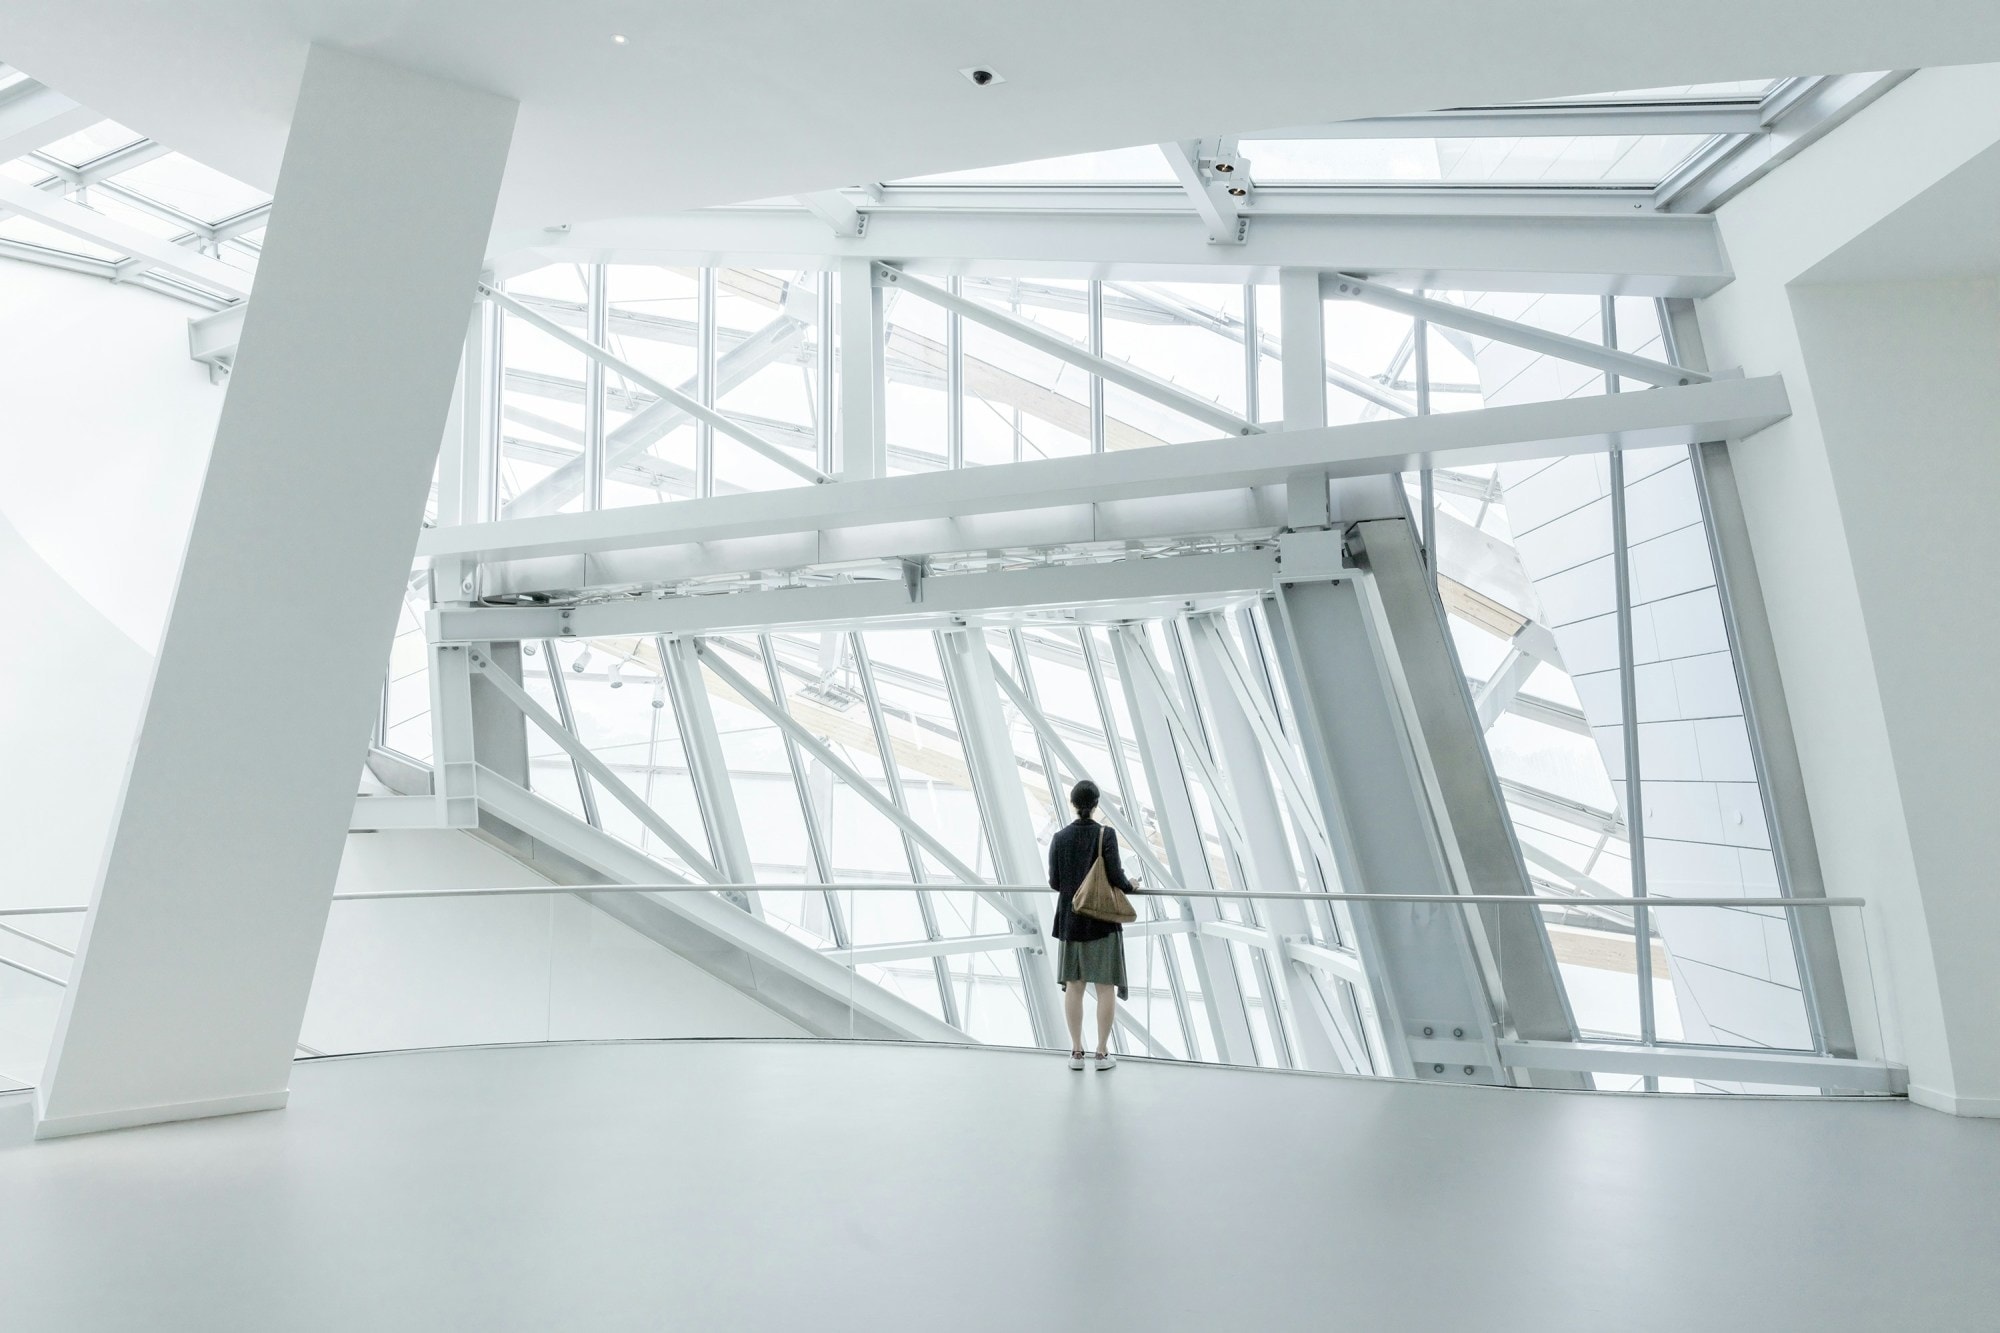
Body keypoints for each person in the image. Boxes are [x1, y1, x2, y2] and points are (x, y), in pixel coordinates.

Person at [1047, 779, 1138, 1071]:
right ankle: (1101, 1053)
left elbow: (1055, 882)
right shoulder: (1105, 835)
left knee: (1074, 987)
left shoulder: (1059, 837)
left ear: (1073, 804)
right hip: (1101, 922)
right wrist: (1131, 885)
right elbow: (1116, 877)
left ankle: (1076, 1052)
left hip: (1071, 922)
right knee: (1105, 988)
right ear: (1096, 804)